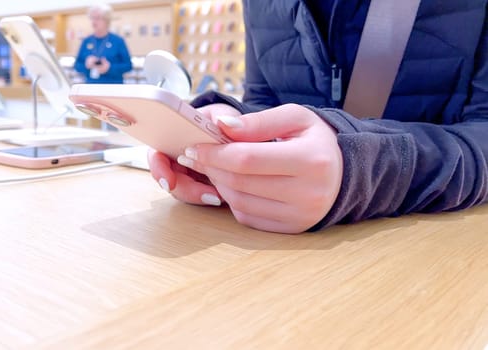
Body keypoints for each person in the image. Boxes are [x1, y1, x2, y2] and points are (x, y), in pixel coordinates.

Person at [149, 0, 488, 234]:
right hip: (277, 270)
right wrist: (225, 125)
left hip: (430, 257)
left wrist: (365, 167)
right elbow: (263, 101)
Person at [73, 4, 132, 84]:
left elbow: (128, 66)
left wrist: (110, 68)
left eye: (97, 18)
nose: (93, 22)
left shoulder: (118, 41)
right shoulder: (86, 41)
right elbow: (77, 65)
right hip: (91, 87)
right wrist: (86, 65)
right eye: (92, 18)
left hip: (113, 88)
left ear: (107, 20)